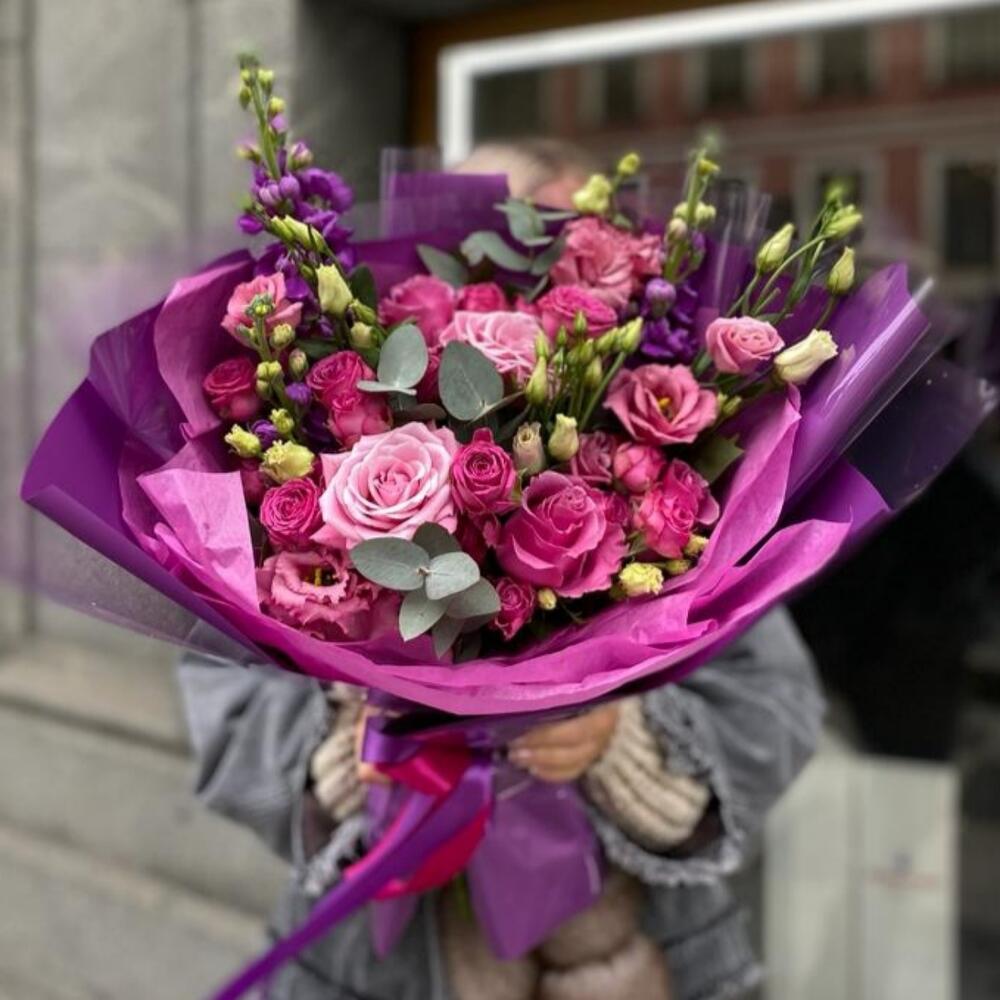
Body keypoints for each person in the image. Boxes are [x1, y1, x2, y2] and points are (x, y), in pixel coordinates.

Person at [178, 140, 823, 1000]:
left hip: (650, 948)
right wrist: (358, 737)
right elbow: (225, 707)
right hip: (366, 965)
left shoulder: (694, 485)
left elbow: (779, 708)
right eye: (493, 240)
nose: (534, 278)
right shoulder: (310, 459)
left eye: (573, 250)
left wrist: (622, 743)